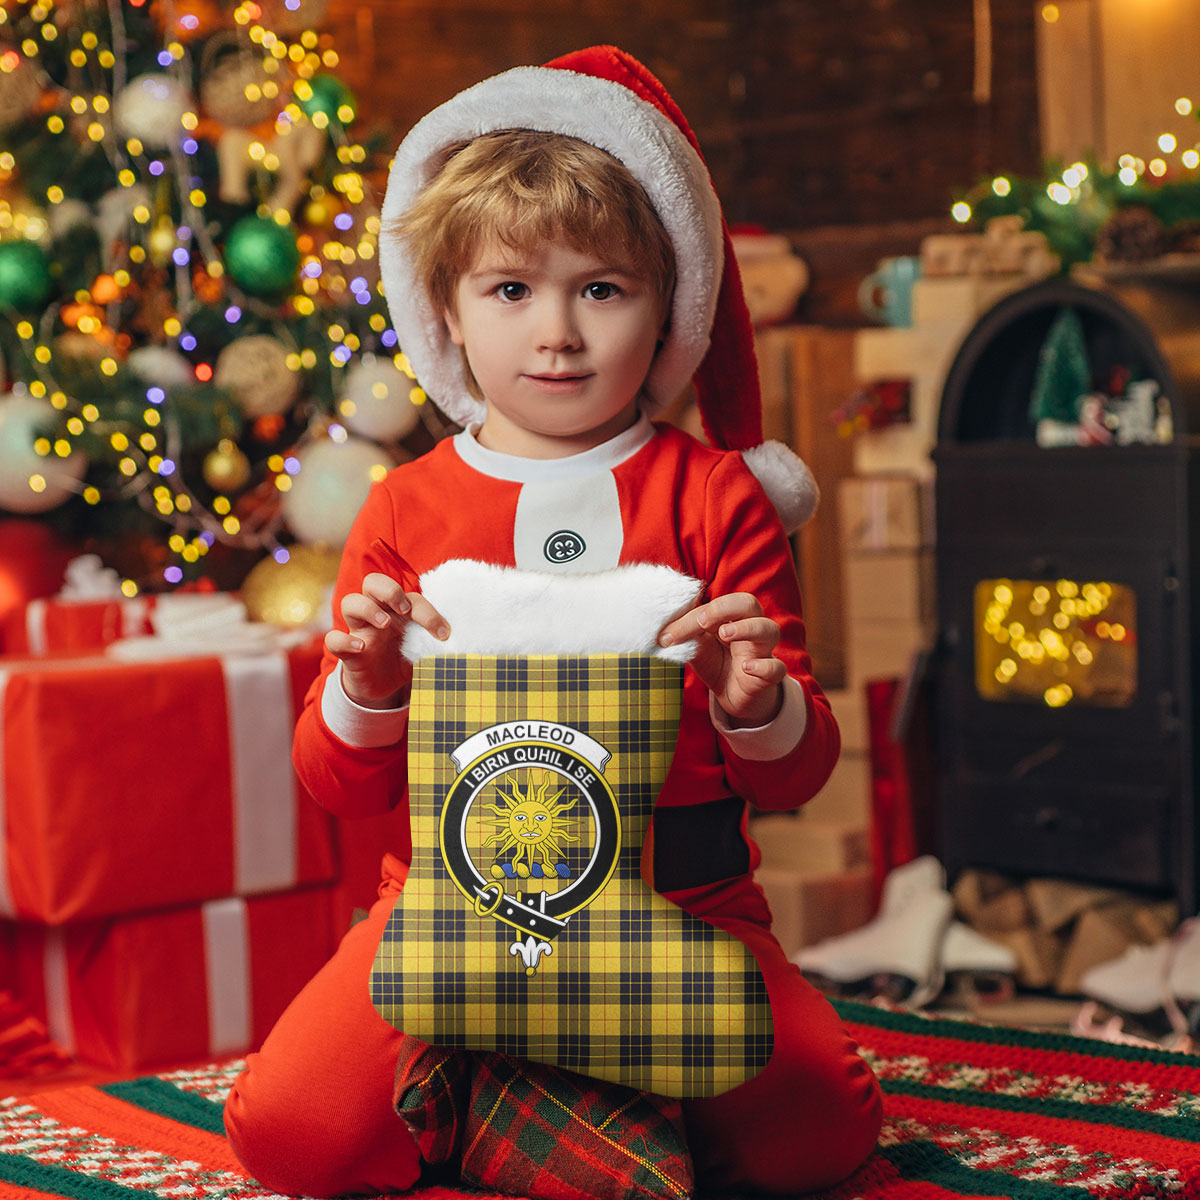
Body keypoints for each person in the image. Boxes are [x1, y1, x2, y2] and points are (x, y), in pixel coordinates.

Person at [224, 45, 882, 1197]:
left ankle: (531, 1090)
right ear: (447, 310)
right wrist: (369, 686)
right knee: (293, 1135)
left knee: (818, 1136)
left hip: (686, 903)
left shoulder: (716, 496)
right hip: (448, 903)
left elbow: (796, 780)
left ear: (665, 303)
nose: (558, 334)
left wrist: (760, 705)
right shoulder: (407, 503)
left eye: (602, 288)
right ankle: (536, 1089)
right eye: (512, 289)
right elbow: (339, 785)